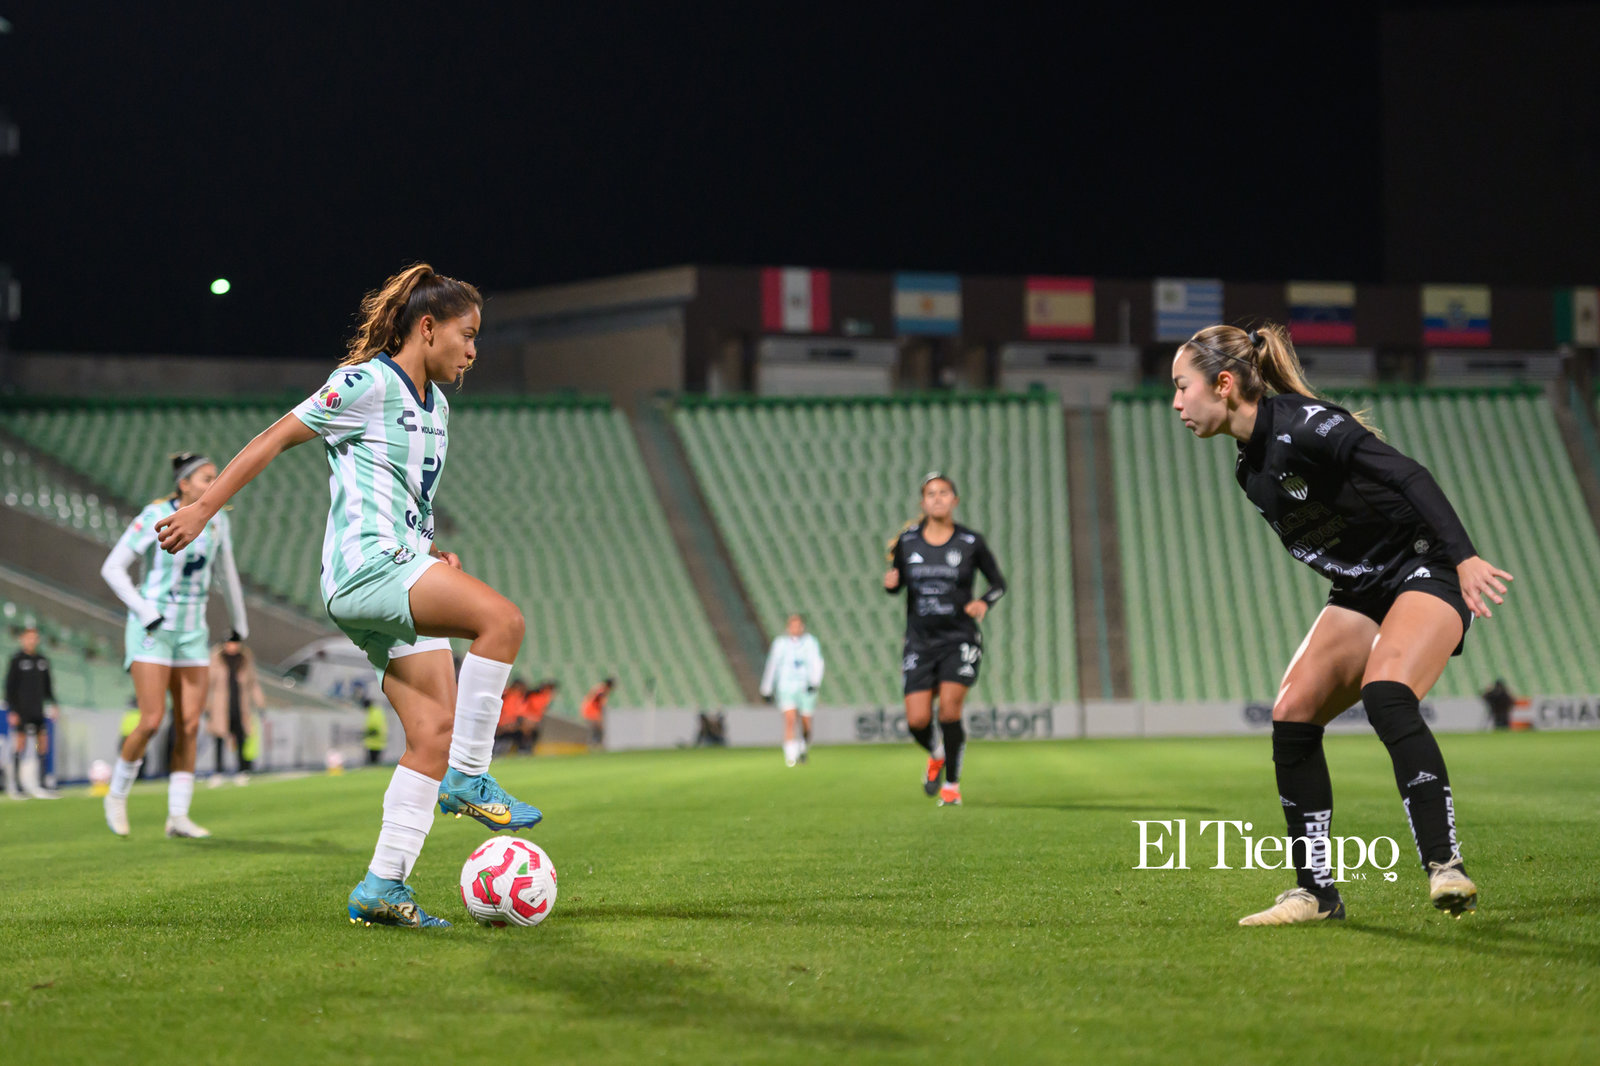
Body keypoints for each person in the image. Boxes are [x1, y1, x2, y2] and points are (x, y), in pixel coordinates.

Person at [154, 263, 540, 929]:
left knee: (433, 735)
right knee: (502, 622)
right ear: (427, 328)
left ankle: (383, 885)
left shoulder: (438, 408)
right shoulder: (365, 383)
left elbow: (409, 498)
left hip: (399, 565)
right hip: (366, 569)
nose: (474, 350)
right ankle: (472, 778)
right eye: (466, 334)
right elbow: (276, 436)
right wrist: (203, 511)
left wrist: (431, 550)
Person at [1170, 322, 1512, 925]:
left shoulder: (1305, 422)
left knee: (1387, 693)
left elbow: (1408, 475)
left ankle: (1445, 865)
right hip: (1361, 587)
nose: (1175, 404)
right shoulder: (1248, 471)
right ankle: (1317, 894)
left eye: (1181, 387)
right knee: (1291, 714)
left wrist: (1464, 557)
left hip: (1423, 565)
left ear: (1223, 384)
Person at [101, 453, 249, 837]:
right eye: (206, 478)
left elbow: (228, 576)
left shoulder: (219, 521)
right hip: (153, 628)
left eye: (216, 478)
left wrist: (239, 626)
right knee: (151, 720)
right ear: (183, 483)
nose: (214, 484)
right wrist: (144, 609)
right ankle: (116, 796)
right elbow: (112, 568)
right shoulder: (153, 515)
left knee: (188, 725)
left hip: (192, 633)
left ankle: (177, 816)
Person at [883, 473, 1006, 807]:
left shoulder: (970, 542)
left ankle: (951, 785)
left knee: (950, 712)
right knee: (917, 721)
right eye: (931, 493)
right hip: (920, 641)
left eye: (944, 492)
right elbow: (896, 584)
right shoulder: (907, 541)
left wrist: (984, 601)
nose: (937, 498)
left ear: (955, 500)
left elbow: (998, 583)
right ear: (923, 502)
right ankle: (937, 752)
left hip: (959, 637)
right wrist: (891, 584)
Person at [758, 613, 825, 767]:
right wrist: (766, 688)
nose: (795, 628)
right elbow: (772, 664)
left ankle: (802, 747)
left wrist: (815, 682)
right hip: (786, 686)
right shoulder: (780, 643)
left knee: (806, 722)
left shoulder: (810, 642)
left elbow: (818, 662)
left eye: (798, 625)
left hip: (806, 686)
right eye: (792, 625)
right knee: (789, 720)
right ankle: (790, 756)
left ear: (802, 627)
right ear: (788, 628)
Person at [5, 624, 60, 799]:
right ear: (22, 639)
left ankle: (43, 782)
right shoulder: (17, 660)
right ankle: (17, 786)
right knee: (20, 744)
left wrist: (53, 703)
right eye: (29, 637)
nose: (32, 641)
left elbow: (48, 686)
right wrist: (12, 711)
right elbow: (9, 688)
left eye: (34, 637)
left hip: (38, 711)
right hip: (22, 711)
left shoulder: (42, 660)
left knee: (41, 744)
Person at [206, 636, 262, 786]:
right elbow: (208, 684)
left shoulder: (244, 659)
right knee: (219, 740)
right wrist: (207, 706)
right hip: (221, 706)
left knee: (241, 739)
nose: (233, 646)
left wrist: (260, 702)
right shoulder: (217, 659)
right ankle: (218, 771)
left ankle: (241, 771)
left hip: (239, 705)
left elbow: (252, 682)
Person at [495, 678, 529, 754]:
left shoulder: (520, 698)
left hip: (510, 724)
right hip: (500, 723)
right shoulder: (506, 695)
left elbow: (520, 712)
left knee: (524, 731)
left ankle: (522, 750)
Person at [521, 680, 555, 755]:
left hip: (534, 718)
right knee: (527, 732)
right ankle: (523, 748)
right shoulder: (537, 697)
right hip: (528, 717)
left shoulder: (543, 698)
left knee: (533, 733)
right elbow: (533, 708)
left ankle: (528, 748)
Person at [581, 678, 614, 749]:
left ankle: (593, 746)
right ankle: (594, 746)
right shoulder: (603, 690)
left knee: (595, 730)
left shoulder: (599, 688)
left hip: (590, 711)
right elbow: (598, 702)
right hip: (592, 712)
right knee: (597, 730)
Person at [363, 697, 389, 765]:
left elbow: (376, 729)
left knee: (374, 763)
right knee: (374, 763)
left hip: (375, 742)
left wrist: (367, 734)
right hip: (374, 742)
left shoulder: (374, 713)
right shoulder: (374, 712)